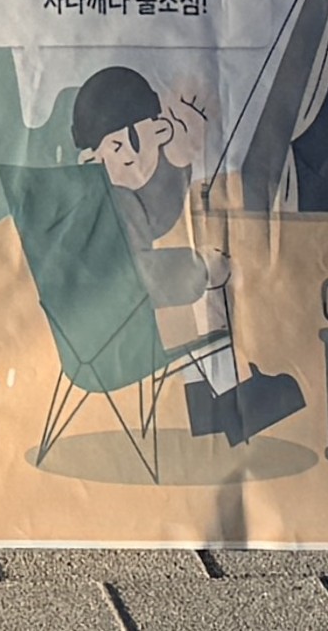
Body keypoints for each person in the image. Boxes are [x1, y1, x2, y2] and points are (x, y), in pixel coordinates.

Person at [62, 71, 306, 449]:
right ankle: (231, 401)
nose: (129, 156)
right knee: (208, 292)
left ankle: (209, 407)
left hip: (95, 328)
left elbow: (154, 223)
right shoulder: (114, 202)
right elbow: (135, 272)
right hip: (116, 334)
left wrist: (179, 163)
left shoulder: (106, 198)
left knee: (195, 301)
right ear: (91, 156)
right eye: (115, 146)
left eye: (138, 140)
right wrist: (201, 268)